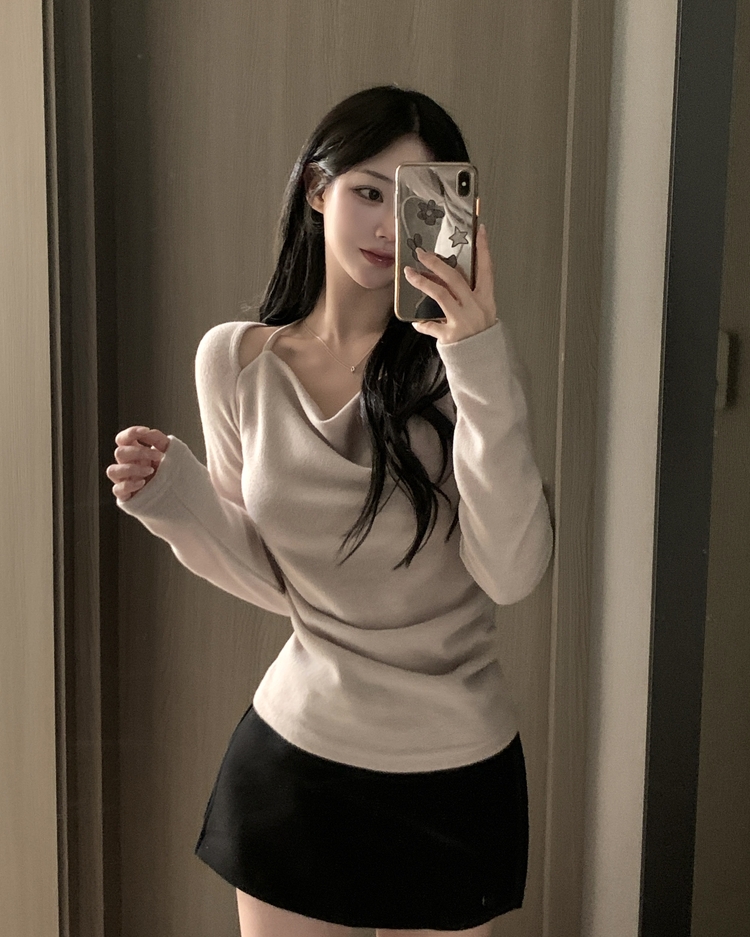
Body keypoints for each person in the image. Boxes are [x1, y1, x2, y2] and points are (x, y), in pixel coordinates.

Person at [106, 86, 553, 937]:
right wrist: (176, 501)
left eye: (415, 200)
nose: (386, 225)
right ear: (318, 190)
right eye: (367, 191)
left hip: (455, 769)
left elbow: (512, 571)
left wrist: (477, 355)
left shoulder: (465, 374)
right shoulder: (235, 362)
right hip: (296, 759)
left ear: (454, 215)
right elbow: (277, 578)